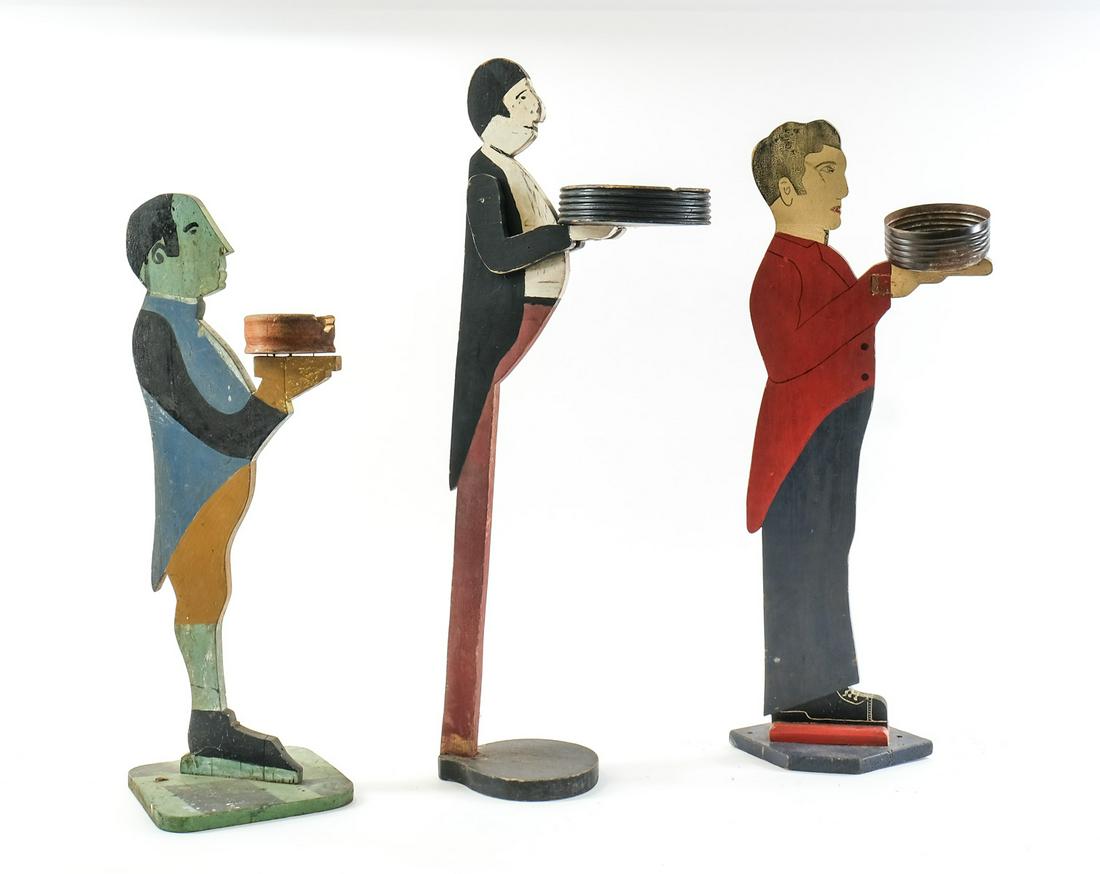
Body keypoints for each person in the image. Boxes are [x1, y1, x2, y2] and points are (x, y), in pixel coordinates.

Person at [746, 121, 990, 731]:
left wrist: (908, 278)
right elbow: (793, 355)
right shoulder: (779, 270)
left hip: (831, 433)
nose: (844, 189)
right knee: (806, 555)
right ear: (786, 190)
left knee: (827, 549)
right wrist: (883, 285)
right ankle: (806, 691)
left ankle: (822, 685)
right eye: (827, 173)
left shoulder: (824, 260)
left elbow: (844, 315)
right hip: (802, 443)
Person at [442, 59, 619, 758]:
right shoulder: (483, 172)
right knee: (476, 459)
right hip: (501, 326)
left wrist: (579, 231)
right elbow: (495, 253)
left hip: (521, 318)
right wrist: (572, 233)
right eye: (524, 100)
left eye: (535, 98)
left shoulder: (514, 170)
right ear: (493, 109)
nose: (537, 111)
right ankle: (457, 732)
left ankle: (461, 728)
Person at [129, 193, 334, 781]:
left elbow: (232, 421)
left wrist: (279, 386)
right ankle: (208, 723)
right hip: (194, 503)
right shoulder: (157, 333)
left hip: (211, 499)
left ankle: (212, 720)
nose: (222, 246)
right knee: (201, 595)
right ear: (160, 257)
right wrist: (280, 388)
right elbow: (223, 431)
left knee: (209, 595)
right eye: (199, 232)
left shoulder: (184, 326)